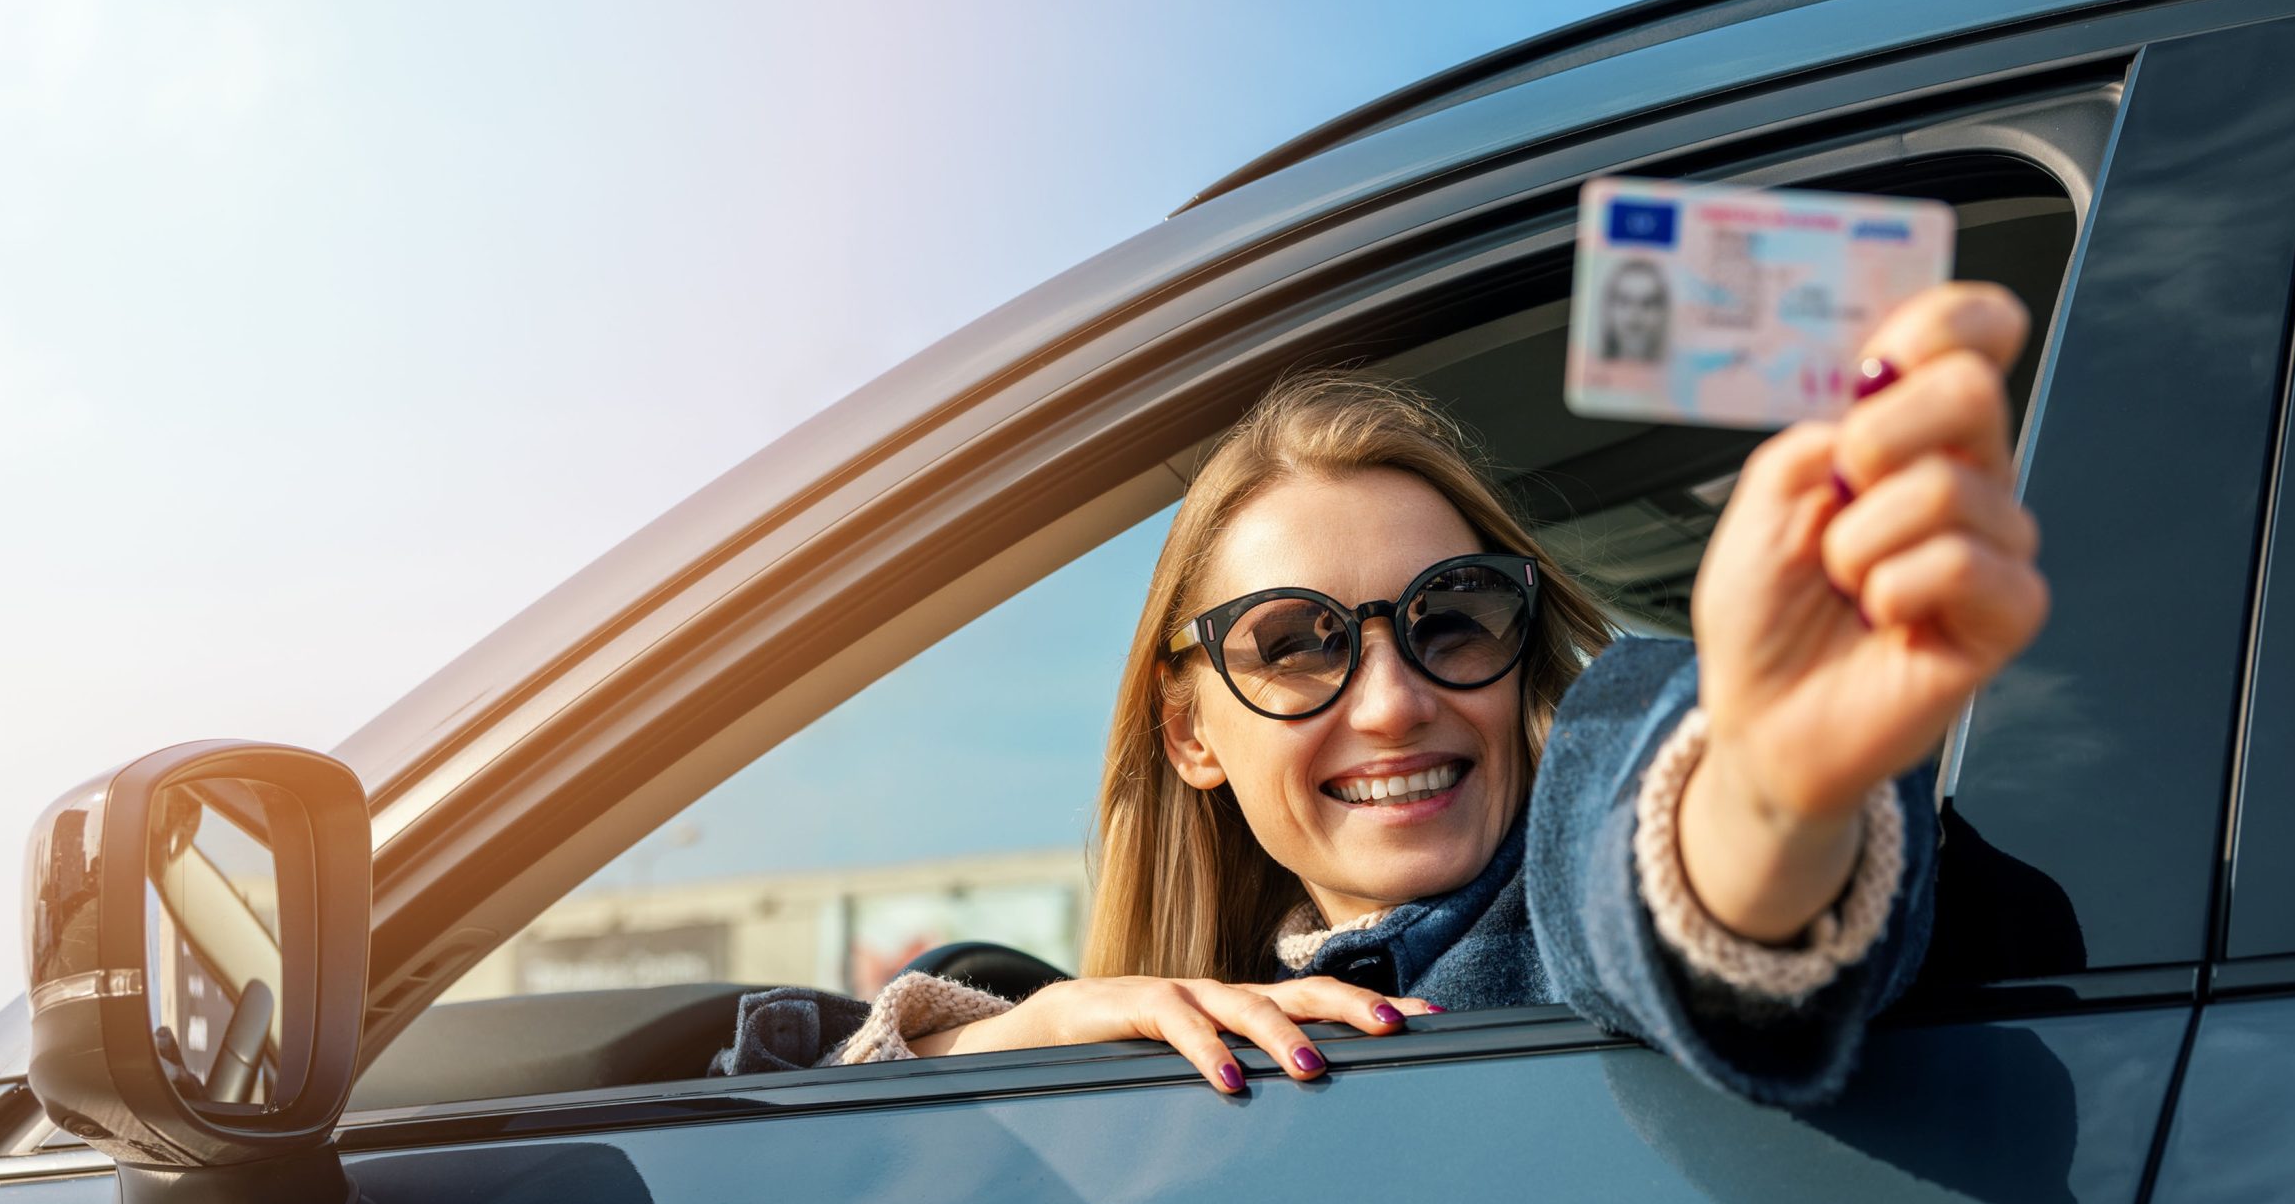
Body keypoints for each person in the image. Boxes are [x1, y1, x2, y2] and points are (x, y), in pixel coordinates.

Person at [721, 282, 2045, 1108]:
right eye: (1295, 645)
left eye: (1452, 619)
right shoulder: (1161, 1028)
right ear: (1187, 729)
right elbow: (793, 1181)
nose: (1395, 699)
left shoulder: (1597, 809)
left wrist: (1767, 783)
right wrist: (1012, 1048)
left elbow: (1660, 875)